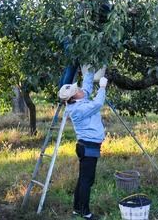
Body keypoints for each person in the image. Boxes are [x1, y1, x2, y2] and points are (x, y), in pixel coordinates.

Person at [58, 66, 108, 220]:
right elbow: (98, 104)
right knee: (87, 180)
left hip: (86, 146)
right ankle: (85, 212)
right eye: (76, 90)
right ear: (73, 98)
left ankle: (76, 208)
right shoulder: (78, 109)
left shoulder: (79, 98)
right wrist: (102, 87)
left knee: (82, 179)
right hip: (88, 147)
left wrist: (90, 68)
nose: (79, 89)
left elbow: (86, 86)